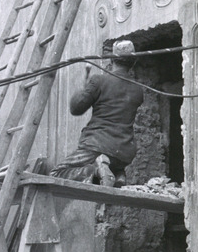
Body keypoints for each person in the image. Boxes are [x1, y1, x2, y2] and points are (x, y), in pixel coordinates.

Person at [51, 40, 144, 187]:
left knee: (57, 173)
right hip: (125, 152)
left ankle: (96, 170)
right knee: (109, 163)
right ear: (134, 62)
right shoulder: (138, 90)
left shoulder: (99, 81)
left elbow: (76, 109)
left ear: (112, 59)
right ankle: (119, 174)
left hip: (97, 144)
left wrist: (85, 86)